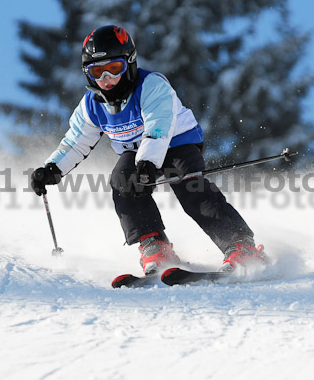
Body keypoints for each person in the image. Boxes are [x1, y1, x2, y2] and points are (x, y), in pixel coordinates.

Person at [31, 25, 266, 275]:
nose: (106, 79)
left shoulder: (151, 85)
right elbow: (75, 142)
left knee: (188, 184)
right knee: (122, 180)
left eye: (114, 68)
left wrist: (147, 163)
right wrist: (51, 168)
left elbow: (158, 126)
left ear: (130, 63)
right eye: (97, 72)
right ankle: (154, 243)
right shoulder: (92, 105)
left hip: (177, 141)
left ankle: (241, 245)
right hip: (137, 153)